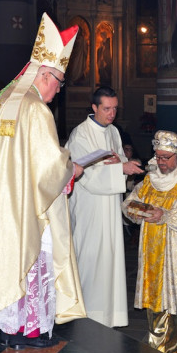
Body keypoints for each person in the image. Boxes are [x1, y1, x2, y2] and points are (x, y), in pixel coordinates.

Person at [0, 13, 86, 349]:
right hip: (26, 205)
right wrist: (71, 168)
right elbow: (48, 167)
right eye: (58, 82)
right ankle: (28, 329)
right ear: (44, 74)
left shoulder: (0, 102)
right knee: (34, 260)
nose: (58, 90)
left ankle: (7, 325)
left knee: (5, 258)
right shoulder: (35, 109)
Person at [121, 131, 177, 353]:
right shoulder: (150, 180)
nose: (160, 162)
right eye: (158, 156)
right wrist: (139, 211)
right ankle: (156, 344)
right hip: (152, 250)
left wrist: (165, 215)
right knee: (155, 297)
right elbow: (129, 202)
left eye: (166, 157)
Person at [66, 86, 144, 328]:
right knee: (91, 256)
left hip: (109, 203)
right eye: (107, 109)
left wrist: (126, 162)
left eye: (115, 109)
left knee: (110, 255)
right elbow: (84, 175)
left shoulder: (113, 132)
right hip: (90, 205)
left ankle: (110, 314)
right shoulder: (81, 134)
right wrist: (120, 168)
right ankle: (88, 312)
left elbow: (116, 159)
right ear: (94, 108)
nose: (112, 114)